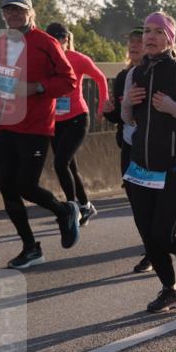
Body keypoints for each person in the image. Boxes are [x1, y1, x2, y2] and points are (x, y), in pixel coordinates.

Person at [0, 0, 82, 269]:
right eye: (8, 11)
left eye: (18, 10)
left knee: (26, 186)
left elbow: (68, 80)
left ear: (30, 13)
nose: (12, 15)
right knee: (7, 188)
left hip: (35, 126)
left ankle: (63, 211)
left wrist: (37, 88)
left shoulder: (46, 43)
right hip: (6, 122)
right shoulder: (0, 44)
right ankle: (30, 248)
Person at [121, 12, 176, 313]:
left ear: (170, 38)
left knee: (164, 232)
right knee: (149, 236)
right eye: (147, 30)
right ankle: (170, 291)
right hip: (141, 168)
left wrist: (174, 108)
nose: (150, 36)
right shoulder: (136, 73)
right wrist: (128, 102)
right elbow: (126, 119)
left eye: (158, 31)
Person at [45, 23, 109, 226]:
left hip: (77, 118)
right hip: (56, 121)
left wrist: (102, 106)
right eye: (51, 39)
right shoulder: (46, 61)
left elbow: (100, 78)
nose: (55, 43)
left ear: (65, 39)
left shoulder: (78, 59)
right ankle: (85, 205)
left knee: (60, 163)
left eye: (58, 39)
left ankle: (72, 208)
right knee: (69, 166)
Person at [103, 28, 152, 273]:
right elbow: (120, 116)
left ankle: (163, 245)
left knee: (152, 204)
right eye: (131, 42)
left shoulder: (153, 74)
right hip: (128, 147)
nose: (134, 45)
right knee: (136, 203)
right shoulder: (123, 77)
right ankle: (151, 249)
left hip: (152, 148)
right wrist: (108, 110)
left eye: (139, 42)